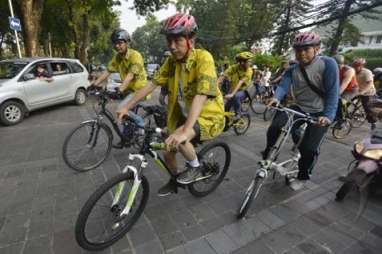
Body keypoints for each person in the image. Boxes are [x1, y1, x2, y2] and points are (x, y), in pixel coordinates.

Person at [116, 13, 225, 196]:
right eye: (169, 41)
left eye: (177, 40)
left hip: (208, 115)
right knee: (167, 151)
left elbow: (201, 95)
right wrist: (127, 106)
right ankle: (175, 180)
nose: (172, 47)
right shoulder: (171, 62)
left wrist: (184, 131)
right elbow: (151, 85)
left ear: (190, 39)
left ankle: (196, 167)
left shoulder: (203, 58)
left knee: (179, 137)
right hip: (183, 114)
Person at [264, 32, 339, 191]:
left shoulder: (328, 64)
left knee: (308, 149)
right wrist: (276, 98)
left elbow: (333, 92)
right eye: (298, 50)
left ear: (317, 49)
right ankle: (268, 154)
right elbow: (284, 85)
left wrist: (328, 116)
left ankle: (303, 176)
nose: (301, 53)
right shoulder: (293, 69)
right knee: (275, 127)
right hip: (299, 107)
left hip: (320, 112)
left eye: (306, 49)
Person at [92, 28, 147, 147]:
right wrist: (94, 84)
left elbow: (130, 76)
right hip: (128, 91)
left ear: (127, 43)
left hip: (140, 90)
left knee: (120, 109)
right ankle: (126, 139)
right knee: (126, 118)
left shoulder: (135, 56)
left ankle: (141, 122)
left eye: (120, 43)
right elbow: (107, 71)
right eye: (115, 43)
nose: (117, 46)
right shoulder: (117, 58)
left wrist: (120, 89)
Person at [218, 51, 253, 118]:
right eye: (249, 61)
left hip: (243, 91)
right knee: (225, 109)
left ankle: (238, 113)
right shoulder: (234, 67)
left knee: (236, 96)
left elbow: (240, 82)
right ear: (242, 62)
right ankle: (226, 125)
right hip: (233, 90)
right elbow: (223, 76)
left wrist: (232, 94)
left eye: (250, 61)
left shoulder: (249, 71)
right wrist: (214, 87)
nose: (250, 63)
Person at [352, 58, 377, 130]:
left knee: (367, 107)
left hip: (368, 92)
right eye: (354, 66)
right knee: (346, 101)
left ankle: (373, 122)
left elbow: (369, 84)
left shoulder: (367, 72)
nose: (355, 67)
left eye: (357, 66)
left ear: (361, 66)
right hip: (358, 91)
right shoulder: (353, 72)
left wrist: (362, 92)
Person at [333, 54, 358, 124]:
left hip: (351, 90)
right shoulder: (333, 69)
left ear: (342, 64)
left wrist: (336, 95)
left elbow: (344, 84)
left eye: (338, 66)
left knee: (340, 102)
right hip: (340, 87)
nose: (336, 67)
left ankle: (341, 121)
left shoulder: (349, 70)